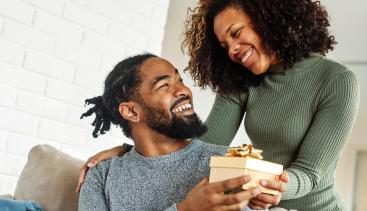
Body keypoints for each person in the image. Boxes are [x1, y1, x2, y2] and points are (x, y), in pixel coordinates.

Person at [78, 0, 360, 210]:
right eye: (224, 45)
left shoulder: (336, 81)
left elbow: (311, 174)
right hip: (262, 199)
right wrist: (134, 150)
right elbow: (200, 149)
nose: (233, 49)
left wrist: (271, 186)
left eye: (236, 33)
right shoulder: (244, 80)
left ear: (269, 18)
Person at [78, 53, 276, 211]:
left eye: (180, 80)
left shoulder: (226, 163)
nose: (184, 90)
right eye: (164, 85)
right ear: (130, 111)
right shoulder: (102, 175)